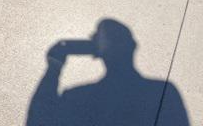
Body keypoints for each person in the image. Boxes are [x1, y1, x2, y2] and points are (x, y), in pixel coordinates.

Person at [27, 19, 189, 126]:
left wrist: (53, 68)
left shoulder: (77, 97)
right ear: (133, 46)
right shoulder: (164, 92)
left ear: (96, 51)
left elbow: (37, 121)